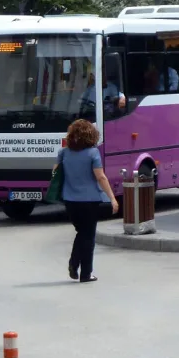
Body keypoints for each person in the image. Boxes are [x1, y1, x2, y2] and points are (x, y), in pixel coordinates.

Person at [55, 119, 118, 283]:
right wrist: (112, 198)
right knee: (88, 236)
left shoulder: (63, 153)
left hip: (69, 200)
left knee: (81, 233)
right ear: (91, 135)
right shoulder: (93, 153)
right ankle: (84, 272)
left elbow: (55, 173)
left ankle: (75, 265)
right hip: (89, 201)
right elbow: (101, 177)